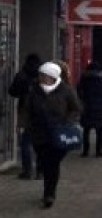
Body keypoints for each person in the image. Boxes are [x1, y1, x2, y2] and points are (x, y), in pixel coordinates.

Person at [23, 61, 81, 208]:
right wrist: (25, 125)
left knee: (53, 164)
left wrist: (67, 121)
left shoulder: (66, 90)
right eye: (41, 75)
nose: (42, 78)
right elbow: (27, 109)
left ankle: (49, 194)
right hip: (39, 133)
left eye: (45, 76)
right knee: (44, 161)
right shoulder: (34, 91)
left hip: (59, 133)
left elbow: (76, 109)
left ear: (53, 77)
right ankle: (48, 189)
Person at [8, 53, 42, 179]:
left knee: (25, 143)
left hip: (25, 112)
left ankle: (27, 171)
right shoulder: (43, 76)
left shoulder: (21, 75)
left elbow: (12, 91)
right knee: (40, 143)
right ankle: (40, 171)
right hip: (41, 112)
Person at [77, 61, 102, 157]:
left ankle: (85, 151)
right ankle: (98, 151)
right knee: (100, 131)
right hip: (100, 108)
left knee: (86, 131)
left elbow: (79, 93)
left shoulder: (84, 80)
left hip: (87, 108)